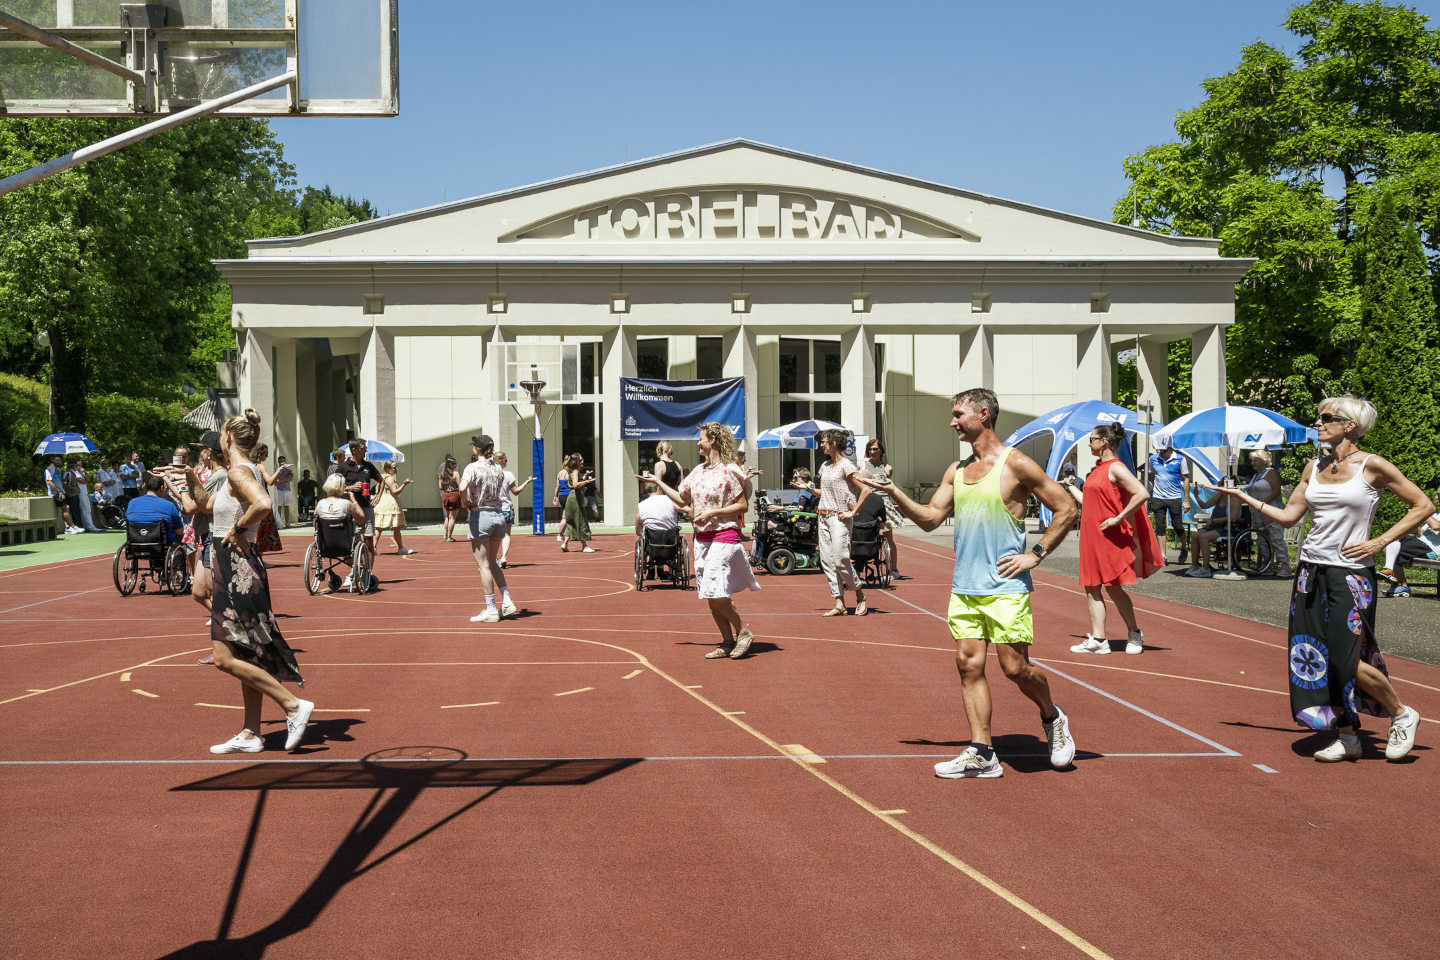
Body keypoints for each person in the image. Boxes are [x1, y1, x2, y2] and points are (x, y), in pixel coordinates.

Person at [854, 387, 1079, 779]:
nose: (952, 422)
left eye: (959, 414)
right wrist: (893, 493)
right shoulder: (956, 471)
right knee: (967, 665)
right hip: (965, 587)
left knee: (1015, 668)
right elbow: (929, 518)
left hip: (1006, 587)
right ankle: (982, 752)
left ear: (984, 415)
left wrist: (1036, 554)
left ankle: (1052, 716)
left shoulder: (1017, 464)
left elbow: (1067, 507)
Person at [1204, 395, 1430, 762]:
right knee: (1315, 656)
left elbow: (1423, 505)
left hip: (1352, 574)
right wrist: (1244, 497)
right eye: (1319, 418)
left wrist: (1381, 540)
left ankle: (1402, 713)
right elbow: (1291, 516)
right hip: (1310, 571)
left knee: (1346, 658)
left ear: (1349, 425)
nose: (1318, 424)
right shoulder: (1313, 467)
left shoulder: (1372, 466)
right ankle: (1347, 735)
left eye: (1326, 418)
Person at [203, 408, 313, 755]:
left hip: (236, 568)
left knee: (223, 657)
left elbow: (263, 503)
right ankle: (251, 732)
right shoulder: (243, 470)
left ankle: (293, 705)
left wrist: (236, 530)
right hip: (235, 566)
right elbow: (206, 506)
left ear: (228, 438)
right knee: (243, 651)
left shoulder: (237, 471)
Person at [643, 422, 760, 659]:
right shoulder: (698, 471)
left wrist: (713, 512)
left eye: (701, 438)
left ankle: (743, 632)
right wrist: (659, 484)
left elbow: (742, 505)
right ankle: (727, 641)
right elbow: (682, 498)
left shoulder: (730, 469)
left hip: (725, 533)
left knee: (714, 588)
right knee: (708, 591)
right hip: (702, 537)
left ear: (713, 440)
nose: (698, 442)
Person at [1062, 423, 1164, 656]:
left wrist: (1118, 518)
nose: (1089, 444)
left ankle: (1134, 633)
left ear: (1104, 442)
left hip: (1109, 536)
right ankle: (1099, 640)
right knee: (1091, 587)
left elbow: (1142, 493)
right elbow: (1091, 503)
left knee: (1114, 588)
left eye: (1092, 439)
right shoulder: (1098, 469)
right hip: (1092, 537)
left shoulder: (1116, 468)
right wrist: (1070, 488)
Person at [802, 428, 872, 617]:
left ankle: (860, 595)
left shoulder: (846, 465)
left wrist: (853, 512)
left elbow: (866, 490)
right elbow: (823, 493)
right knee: (827, 561)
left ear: (833, 443)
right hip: (823, 515)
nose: (821, 445)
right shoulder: (825, 466)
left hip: (839, 518)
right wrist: (808, 489)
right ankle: (839, 602)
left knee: (841, 559)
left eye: (824, 442)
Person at [461, 434, 518, 622]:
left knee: (483, 565)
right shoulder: (498, 468)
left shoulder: (472, 467)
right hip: (499, 516)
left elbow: (462, 487)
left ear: (477, 449)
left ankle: (491, 608)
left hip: (481, 515)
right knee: (492, 562)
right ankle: (507, 599)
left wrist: (466, 502)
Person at [1377, 481, 1440, 598]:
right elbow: (1419, 532)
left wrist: (1423, 512)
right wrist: (1415, 520)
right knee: (1391, 540)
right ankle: (1399, 583)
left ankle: (1393, 575)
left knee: (1394, 542)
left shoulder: (1433, 516)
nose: (1436, 497)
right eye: (1437, 495)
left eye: (1439, 495)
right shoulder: (1436, 515)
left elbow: (1436, 526)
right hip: (1421, 544)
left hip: (1431, 550)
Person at [858, 438, 905, 578]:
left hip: (883, 503)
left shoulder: (887, 468)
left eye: (875, 449)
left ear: (881, 451)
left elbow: (888, 486)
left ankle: (894, 569)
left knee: (889, 537)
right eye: (870, 449)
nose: (873, 451)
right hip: (867, 501)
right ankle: (860, 565)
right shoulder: (861, 466)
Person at [313, 473, 366, 591]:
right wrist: (354, 500)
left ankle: (321, 568)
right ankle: (358, 568)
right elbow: (361, 518)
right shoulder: (346, 504)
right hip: (345, 545)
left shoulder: (320, 504)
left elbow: (315, 524)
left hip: (325, 546)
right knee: (359, 539)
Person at [1245, 449, 1291, 577]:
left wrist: (1263, 504)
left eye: (1255, 460)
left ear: (1264, 461)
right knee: (1262, 540)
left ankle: (1285, 566)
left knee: (1276, 539)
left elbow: (1276, 491)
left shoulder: (1271, 473)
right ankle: (1267, 565)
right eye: (1252, 460)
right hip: (1258, 513)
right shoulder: (1256, 475)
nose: (1253, 463)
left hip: (1272, 511)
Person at [340, 439, 383, 575]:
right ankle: (352, 572)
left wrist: (377, 497)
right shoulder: (343, 467)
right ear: (354, 450)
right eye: (363, 448)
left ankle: (368, 573)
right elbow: (334, 487)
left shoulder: (368, 466)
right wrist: (350, 488)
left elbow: (381, 480)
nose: (366, 450)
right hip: (350, 509)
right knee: (349, 542)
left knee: (370, 540)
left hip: (366, 507)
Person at [1146, 440, 1191, 564]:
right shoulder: (1153, 459)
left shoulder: (1181, 459)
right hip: (1158, 497)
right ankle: (1163, 555)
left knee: (1177, 526)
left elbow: (1186, 478)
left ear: (1171, 449)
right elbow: (1152, 475)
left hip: (1174, 497)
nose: (1160, 453)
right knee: (1160, 527)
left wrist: (1187, 500)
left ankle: (1184, 547)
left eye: (1163, 451)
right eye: (1159, 450)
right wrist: (1152, 492)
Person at [494, 451, 535, 568]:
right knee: (506, 534)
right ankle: (503, 557)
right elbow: (515, 492)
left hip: (494, 508)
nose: (507, 461)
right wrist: (526, 482)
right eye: (505, 460)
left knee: (494, 536)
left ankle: (494, 558)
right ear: (501, 461)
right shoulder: (508, 475)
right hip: (506, 508)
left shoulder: (489, 474)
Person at [123, 474, 187, 544]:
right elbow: (179, 531)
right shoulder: (169, 505)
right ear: (161, 488)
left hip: (136, 543)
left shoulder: (132, 503)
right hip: (163, 545)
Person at [1184, 487, 1231, 578]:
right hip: (1214, 525)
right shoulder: (1220, 495)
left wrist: (1214, 520)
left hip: (1226, 528)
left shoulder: (1234, 499)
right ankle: (1194, 565)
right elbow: (1204, 505)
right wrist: (1196, 496)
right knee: (1195, 536)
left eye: (1221, 484)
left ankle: (1206, 568)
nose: (1219, 486)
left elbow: (1233, 518)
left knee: (1203, 537)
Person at [373, 461, 416, 555]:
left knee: (379, 528)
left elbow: (377, 490)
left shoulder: (382, 477)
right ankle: (400, 548)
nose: (396, 469)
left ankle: (373, 547)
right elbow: (395, 492)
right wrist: (404, 484)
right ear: (388, 469)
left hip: (382, 505)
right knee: (396, 529)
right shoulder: (389, 478)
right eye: (394, 467)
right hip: (390, 506)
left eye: (396, 467)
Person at [558, 453, 597, 552]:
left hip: (572, 498)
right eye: (581, 460)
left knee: (572, 523)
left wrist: (585, 477)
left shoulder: (575, 471)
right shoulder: (575, 471)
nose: (582, 461)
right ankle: (585, 546)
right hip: (575, 499)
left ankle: (565, 544)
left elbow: (577, 482)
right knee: (580, 520)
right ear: (576, 462)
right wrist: (587, 482)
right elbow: (575, 485)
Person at [635, 479, 680, 563]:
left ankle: (651, 570)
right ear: (659, 489)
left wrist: (639, 533)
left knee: (647, 538)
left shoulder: (641, 505)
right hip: (670, 540)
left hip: (651, 541)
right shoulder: (670, 500)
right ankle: (660, 569)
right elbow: (686, 510)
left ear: (647, 491)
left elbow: (638, 528)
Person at [44, 454, 79, 534]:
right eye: (56, 460)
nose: (58, 462)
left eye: (59, 460)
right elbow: (49, 482)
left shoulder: (58, 469)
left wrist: (66, 480)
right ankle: (72, 526)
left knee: (67, 508)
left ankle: (67, 528)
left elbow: (60, 482)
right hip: (56, 493)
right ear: (53, 460)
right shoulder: (49, 469)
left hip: (62, 492)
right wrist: (59, 491)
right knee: (65, 509)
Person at [66, 458, 103, 532]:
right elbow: (82, 481)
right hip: (80, 493)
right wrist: (85, 480)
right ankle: (89, 526)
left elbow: (88, 480)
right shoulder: (73, 473)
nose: (80, 466)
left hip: (84, 492)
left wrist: (85, 472)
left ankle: (90, 525)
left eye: (81, 465)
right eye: (78, 465)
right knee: (85, 510)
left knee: (88, 510)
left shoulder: (80, 472)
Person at [439, 454, 462, 542]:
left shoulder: (441, 475)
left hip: (445, 495)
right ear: (452, 465)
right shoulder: (455, 474)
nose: (456, 465)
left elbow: (440, 487)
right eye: (455, 464)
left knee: (447, 517)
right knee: (452, 517)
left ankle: (445, 535)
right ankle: (449, 537)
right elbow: (460, 486)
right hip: (454, 495)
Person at [267, 455, 295, 528]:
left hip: (287, 491)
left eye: (284, 461)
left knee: (287, 507)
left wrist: (281, 479)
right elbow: (276, 481)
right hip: (279, 491)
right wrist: (284, 479)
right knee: (279, 507)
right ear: (278, 462)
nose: (282, 462)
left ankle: (287, 522)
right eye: (281, 461)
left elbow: (290, 478)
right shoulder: (275, 470)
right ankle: (280, 522)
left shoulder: (289, 470)